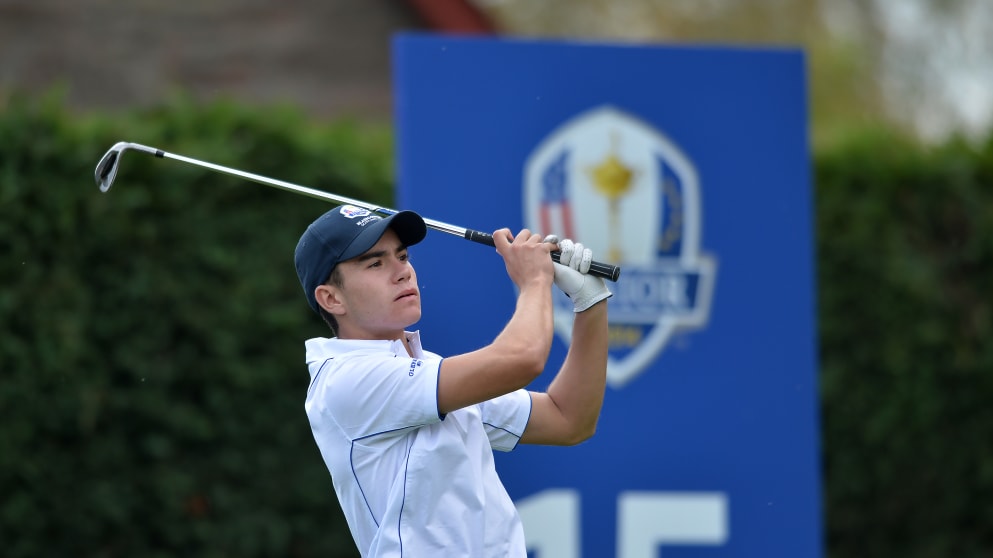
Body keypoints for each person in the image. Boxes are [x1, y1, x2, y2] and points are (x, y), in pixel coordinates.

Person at [294, 204, 611, 557]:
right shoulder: (346, 380)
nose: (402, 272)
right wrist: (536, 280)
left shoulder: (425, 369)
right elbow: (522, 358)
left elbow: (568, 419)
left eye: (402, 256)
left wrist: (590, 302)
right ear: (331, 298)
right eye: (375, 263)